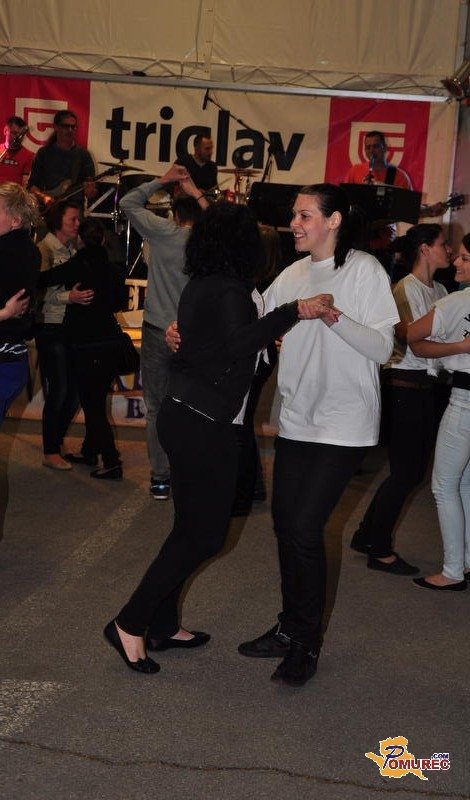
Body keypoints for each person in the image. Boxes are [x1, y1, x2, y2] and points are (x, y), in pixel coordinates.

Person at [103, 201, 335, 674]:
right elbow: (235, 346)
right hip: (203, 423)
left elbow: (211, 347)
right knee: (204, 536)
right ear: (242, 242)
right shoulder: (229, 289)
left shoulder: (210, 283)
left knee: (190, 530)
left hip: (192, 416)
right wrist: (294, 311)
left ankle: (163, 623)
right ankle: (130, 621)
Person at [237, 183, 399, 687]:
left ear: (334, 220)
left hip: (344, 425)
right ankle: (290, 627)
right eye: (294, 215)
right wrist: (192, 327)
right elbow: (253, 321)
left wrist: (331, 315)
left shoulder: (365, 270)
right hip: (297, 420)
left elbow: (382, 348)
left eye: (305, 215)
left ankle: (305, 643)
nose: (295, 224)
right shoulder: (293, 273)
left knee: (305, 529)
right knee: (286, 527)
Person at [350, 224, 452, 573]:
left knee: (409, 471)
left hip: (427, 387)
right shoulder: (405, 289)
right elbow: (414, 344)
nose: (449, 250)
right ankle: (378, 549)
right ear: (425, 249)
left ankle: (366, 535)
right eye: (443, 244)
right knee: (406, 472)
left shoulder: (440, 289)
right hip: (405, 387)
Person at [120, 163, 207, 499]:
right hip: (193, 333)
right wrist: (196, 192)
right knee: (191, 405)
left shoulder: (163, 232)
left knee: (156, 406)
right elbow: (228, 224)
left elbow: (127, 202)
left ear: (175, 214)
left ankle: (160, 477)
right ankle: (188, 471)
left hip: (158, 329)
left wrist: (163, 180)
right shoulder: (207, 241)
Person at [37, 219, 124, 479]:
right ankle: (90, 451)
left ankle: (111, 461)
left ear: (81, 241)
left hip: (85, 345)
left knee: (92, 405)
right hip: (109, 342)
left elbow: (43, 279)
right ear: (104, 240)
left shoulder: (76, 265)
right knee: (96, 399)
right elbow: (119, 303)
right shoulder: (113, 268)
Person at [407, 233, 470, 591]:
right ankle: (465, 561)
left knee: (444, 485)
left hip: (464, 401)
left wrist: (456, 347)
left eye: (465, 258)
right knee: (464, 483)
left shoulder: (456, 301)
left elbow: (410, 336)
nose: (456, 262)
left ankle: (452, 571)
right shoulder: (453, 299)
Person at [35, 201, 94, 470]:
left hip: (69, 328)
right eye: (73, 219)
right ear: (58, 221)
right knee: (59, 390)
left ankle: (56, 441)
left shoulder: (72, 249)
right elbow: (35, 292)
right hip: (50, 327)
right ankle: (50, 450)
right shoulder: (44, 249)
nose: (78, 224)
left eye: (78, 219)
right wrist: (68, 297)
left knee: (74, 392)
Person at [0, 183, 40, 423]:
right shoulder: (31, 252)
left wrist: (5, 313)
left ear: (15, 220)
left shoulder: (6, 252)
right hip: (13, 359)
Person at [28, 109, 96, 210]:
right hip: (48, 209)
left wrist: (90, 191)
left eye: (73, 127)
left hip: (74, 210)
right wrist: (44, 197)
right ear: (55, 127)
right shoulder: (44, 153)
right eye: (65, 126)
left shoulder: (83, 155)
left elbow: (91, 192)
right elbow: (32, 186)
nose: (70, 130)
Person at [0, 116, 33, 186]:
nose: (17, 138)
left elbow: (25, 184)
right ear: (5, 131)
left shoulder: (28, 156)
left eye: (21, 135)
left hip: (14, 192)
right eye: (14, 133)